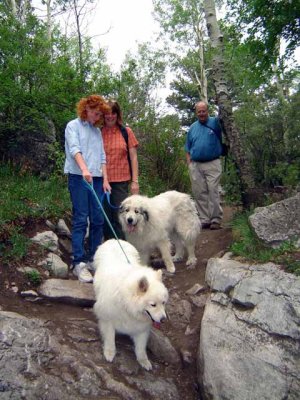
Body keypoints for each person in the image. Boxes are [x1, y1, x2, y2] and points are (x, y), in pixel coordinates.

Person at [64, 94, 111, 282]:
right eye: (94, 112)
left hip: (97, 179)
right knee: (81, 218)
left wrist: (105, 180)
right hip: (78, 177)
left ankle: (93, 258)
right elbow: (75, 149)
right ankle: (78, 262)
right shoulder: (72, 126)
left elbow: (102, 157)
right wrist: (84, 169)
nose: (96, 117)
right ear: (86, 109)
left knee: (98, 219)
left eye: (99, 114)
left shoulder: (97, 132)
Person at [101, 100, 139, 240]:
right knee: (104, 217)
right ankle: (109, 247)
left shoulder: (126, 132)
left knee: (121, 217)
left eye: (113, 113)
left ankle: (124, 248)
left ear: (117, 114)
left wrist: (135, 181)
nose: (110, 116)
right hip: (101, 181)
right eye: (107, 114)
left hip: (120, 182)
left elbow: (134, 158)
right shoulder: (98, 132)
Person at [185, 101, 223, 230]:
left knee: (213, 190)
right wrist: (190, 164)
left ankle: (216, 219)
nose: (201, 114)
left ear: (208, 110)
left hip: (213, 163)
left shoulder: (215, 123)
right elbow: (187, 148)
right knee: (199, 192)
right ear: (196, 113)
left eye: (203, 111)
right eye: (199, 112)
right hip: (196, 165)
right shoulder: (192, 128)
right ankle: (204, 219)